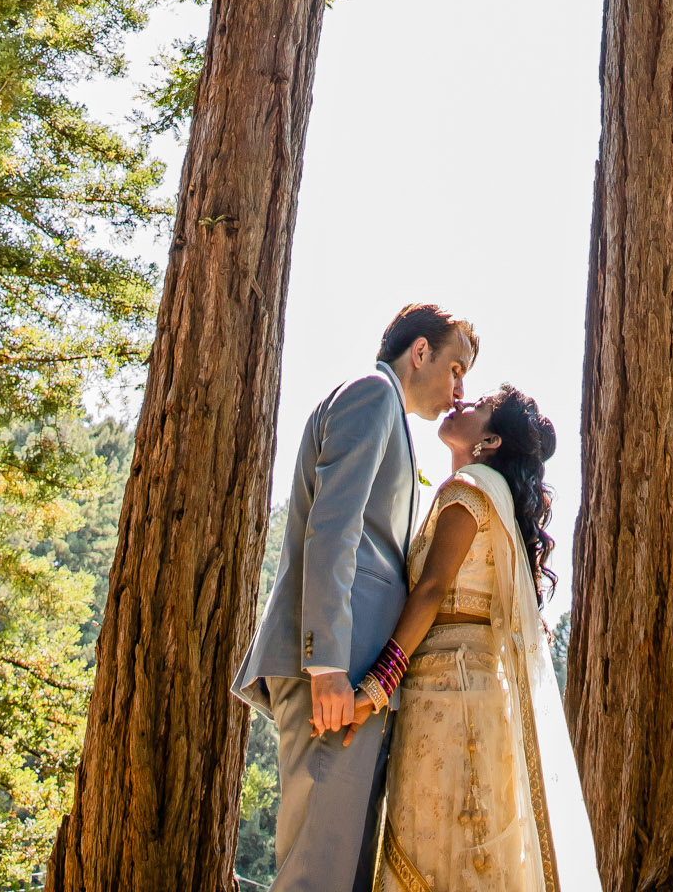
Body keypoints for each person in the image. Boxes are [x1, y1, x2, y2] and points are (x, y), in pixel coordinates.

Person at [235, 305, 476, 892]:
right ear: (419, 352)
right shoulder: (372, 394)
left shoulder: (384, 410)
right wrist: (327, 666)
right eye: (455, 368)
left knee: (339, 871)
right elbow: (334, 528)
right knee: (318, 872)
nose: (459, 390)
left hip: (357, 681)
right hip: (336, 677)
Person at [351, 385, 600, 892]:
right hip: (463, 696)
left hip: (451, 698)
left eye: (480, 405)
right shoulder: (486, 492)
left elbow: (433, 589)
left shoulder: (471, 488)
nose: (461, 403)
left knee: (439, 860)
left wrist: (376, 686)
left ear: (489, 439)